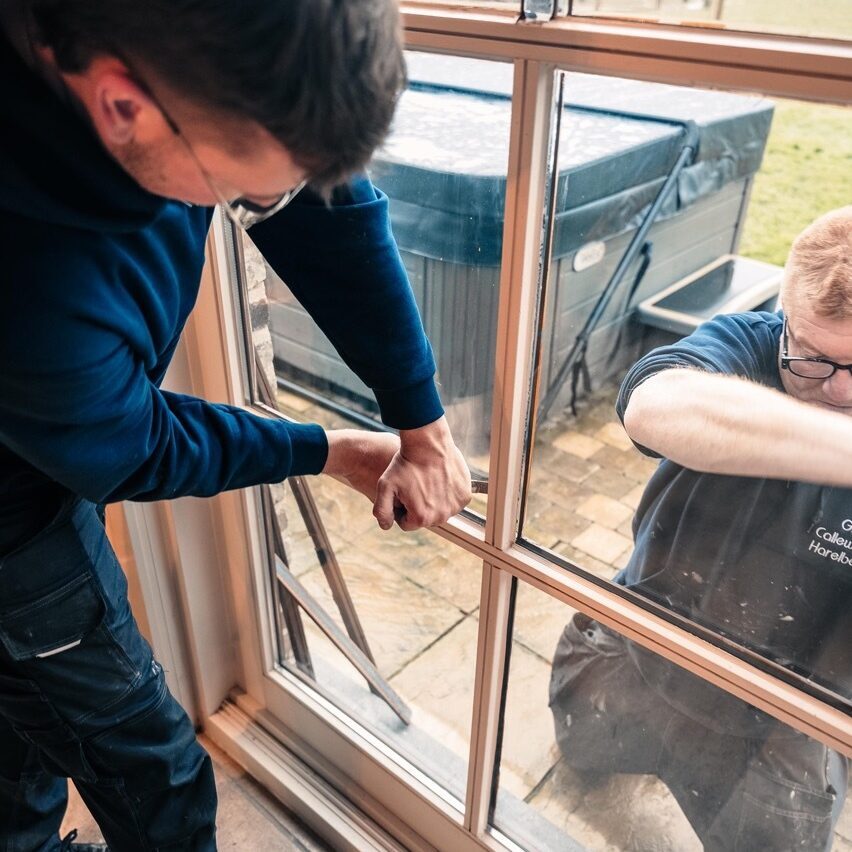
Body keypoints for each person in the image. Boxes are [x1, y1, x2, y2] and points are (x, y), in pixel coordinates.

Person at [0, 1, 472, 849]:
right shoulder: (32, 286)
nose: (266, 205)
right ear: (121, 106)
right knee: (155, 766)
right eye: (239, 191)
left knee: (21, 722)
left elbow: (316, 200)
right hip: (13, 527)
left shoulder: (197, 53)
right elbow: (133, 444)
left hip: (46, 436)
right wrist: (328, 448)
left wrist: (420, 418)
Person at [549, 207, 852, 851]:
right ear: (784, 318)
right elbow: (654, 402)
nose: (838, 392)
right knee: (579, 750)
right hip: (643, 635)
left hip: (783, 717)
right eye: (816, 360)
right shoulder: (749, 342)